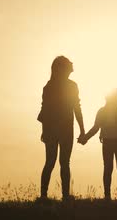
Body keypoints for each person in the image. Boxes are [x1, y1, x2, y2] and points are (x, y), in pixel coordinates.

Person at [37, 56, 85, 200]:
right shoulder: (70, 86)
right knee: (62, 162)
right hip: (63, 129)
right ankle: (61, 196)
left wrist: (45, 131)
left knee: (51, 162)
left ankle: (45, 196)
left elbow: (45, 110)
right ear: (63, 67)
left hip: (55, 129)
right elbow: (77, 108)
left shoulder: (49, 86)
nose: (72, 63)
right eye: (69, 62)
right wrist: (82, 130)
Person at [78, 89, 117, 200]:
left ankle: (108, 196)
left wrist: (86, 138)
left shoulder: (103, 111)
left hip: (109, 143)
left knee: (109, 169)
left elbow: (95, 128)